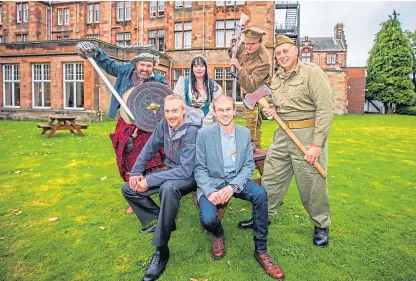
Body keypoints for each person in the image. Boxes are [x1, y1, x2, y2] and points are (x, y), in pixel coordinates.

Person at [239, 35, 334, 247]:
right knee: (270, 179)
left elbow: (326, 110)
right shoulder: (276, 78)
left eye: (285, 51)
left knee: (312, 183)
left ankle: (321, 224)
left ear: (296, 51)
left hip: (307, 135)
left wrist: (317, 145)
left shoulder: (312, 73)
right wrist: (270, 109)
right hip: (283, 135)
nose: (282, 56)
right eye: (278, 53)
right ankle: (262, 218)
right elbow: (274, 101)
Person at [194, 95, 285, 280]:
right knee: (208, 219)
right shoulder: (203, 134)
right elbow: (199, 168)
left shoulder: (243, 133)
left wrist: (234, 186)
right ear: (214, 112)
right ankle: (218, 235)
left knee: (260, 194)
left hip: (236, 180)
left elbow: (248, 165)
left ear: (234, 111)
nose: (225, 113)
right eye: (221, 110)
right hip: (212, 183)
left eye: (228, 109)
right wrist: (210, 192)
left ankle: (261, 251)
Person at [76, 42, 167, 214]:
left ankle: (145, 193)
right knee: (128, 164)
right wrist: (95, 51)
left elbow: (166, 100)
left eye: (149, 66)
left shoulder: (159, 80)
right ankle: (134, 197)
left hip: (147, 128)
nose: (145, 69)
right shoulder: (125, 71)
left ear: (153, 67)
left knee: (151, 163)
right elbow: (107, 64)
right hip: (126, 125)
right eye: (142, 65)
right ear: (136, 65)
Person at [121, 94, 202, 281]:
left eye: (175, 111)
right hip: (171, 170)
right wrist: (136, 172)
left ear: (183, 110)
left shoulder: (192, 130)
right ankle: (165, 220)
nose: (171, 115)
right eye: (167, 111)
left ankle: (161, 250)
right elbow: (150, 147)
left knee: (168, 189)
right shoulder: (165, 125)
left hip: (189, 175)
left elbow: (186, 170)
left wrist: (150, 180)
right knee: (128, 189)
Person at [228, 27, 272, 149]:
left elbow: (251, 85)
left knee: (251, 119)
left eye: (252, 44)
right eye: (246, 43)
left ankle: (251, 144)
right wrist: (233, 44)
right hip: (246, 91)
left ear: (260, 42)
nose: (248, 47)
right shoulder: (245, 46)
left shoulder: (264, 60)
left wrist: (239, 67)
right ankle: (255, 146)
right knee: (255, 124)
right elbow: (234, 53)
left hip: (256, 92)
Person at [173, 55, 223, 127]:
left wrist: (204, 125)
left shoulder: (214, 87)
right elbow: (177, 104)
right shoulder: (183, 83)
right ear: (192, 68)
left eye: (202, 66)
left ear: (206, 68)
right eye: (195, 66)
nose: (199, 69)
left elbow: (215, 108)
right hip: (187, 125)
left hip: (209, 125)